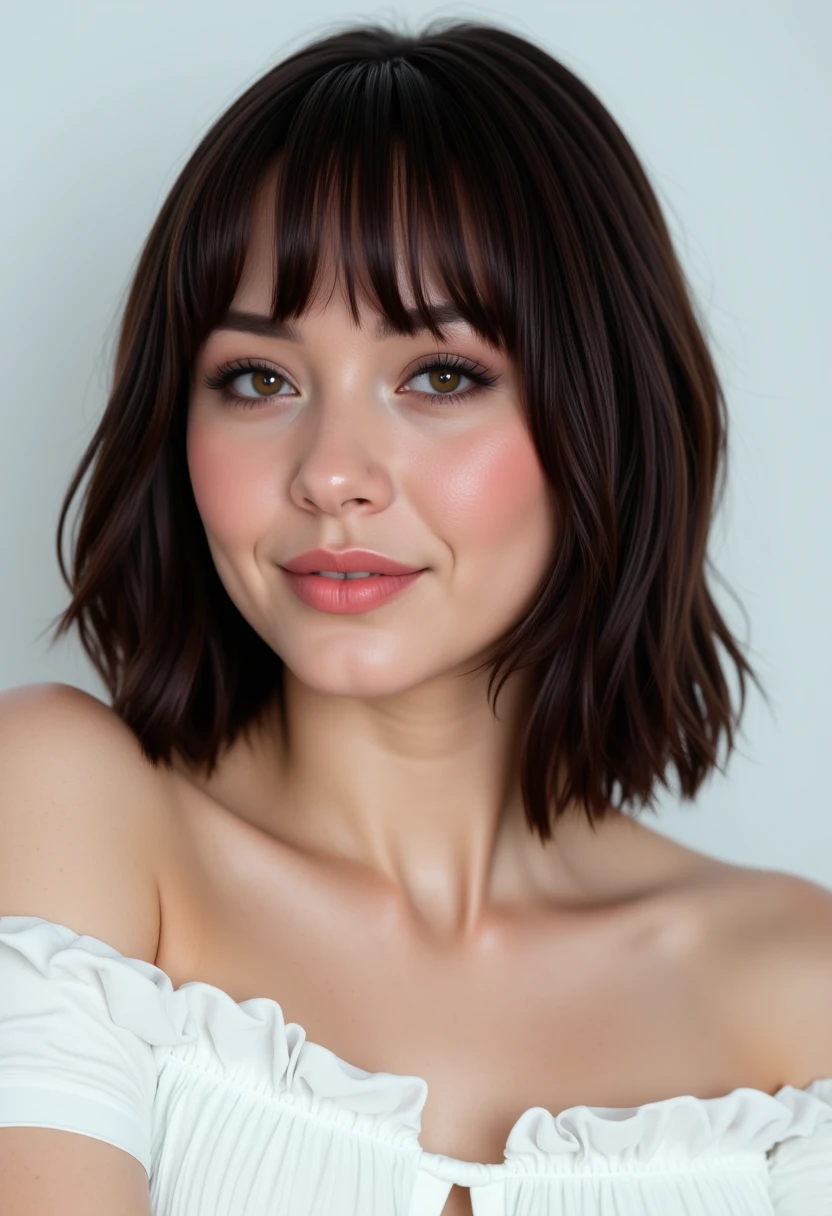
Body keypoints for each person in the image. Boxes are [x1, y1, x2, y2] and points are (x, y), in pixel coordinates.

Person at [0, 18, 830, 1216]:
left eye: (439, 374)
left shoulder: (788, 984)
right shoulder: (66, 807)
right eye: (257, 378)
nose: (332, 473)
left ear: (600, 413)